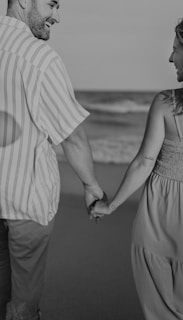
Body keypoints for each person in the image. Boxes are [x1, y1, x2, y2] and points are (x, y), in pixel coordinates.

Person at [91, 11, 183, 320]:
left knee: (162, 307)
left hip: (164, 214)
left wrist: (111, 204)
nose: (171, 58)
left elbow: (144, 161)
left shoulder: (166, 102)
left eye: (175, 49)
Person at [0, 1, 105, 319]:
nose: (56, 16)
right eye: (51, 4)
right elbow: (71, 135)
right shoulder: (39, 57)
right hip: (26, 201)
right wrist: (91, 185)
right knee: (22, 304)